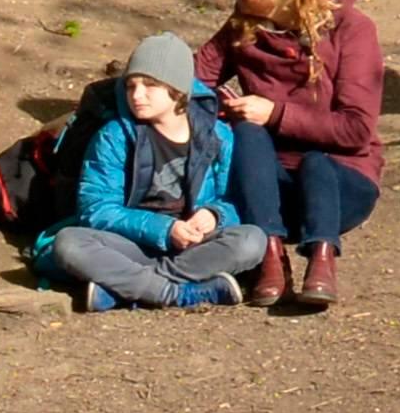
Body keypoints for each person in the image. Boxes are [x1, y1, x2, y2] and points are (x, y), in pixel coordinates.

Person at [203, 0, 386, 298]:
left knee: (315, 161)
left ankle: (322, 258)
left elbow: (356, 131)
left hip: (341, 183)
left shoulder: (352, 29)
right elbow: (194, 75)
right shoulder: (245, 27)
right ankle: (270, 257)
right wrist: (216, 103)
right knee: (247, 133)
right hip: (268, 188)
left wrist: (275, 113)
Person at [38, 34, 275, 311]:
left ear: (177, 91)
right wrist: (164, 229)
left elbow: (233, 198)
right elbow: (96, 210)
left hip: (191, 247)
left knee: (251, 240)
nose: (137, 95)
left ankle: (126, 289)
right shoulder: (114, 135)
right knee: (69, 244)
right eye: (131, 86)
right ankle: (177, 294)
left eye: (150, 85)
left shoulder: (217, 136)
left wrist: (215, 215)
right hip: (128, 244)